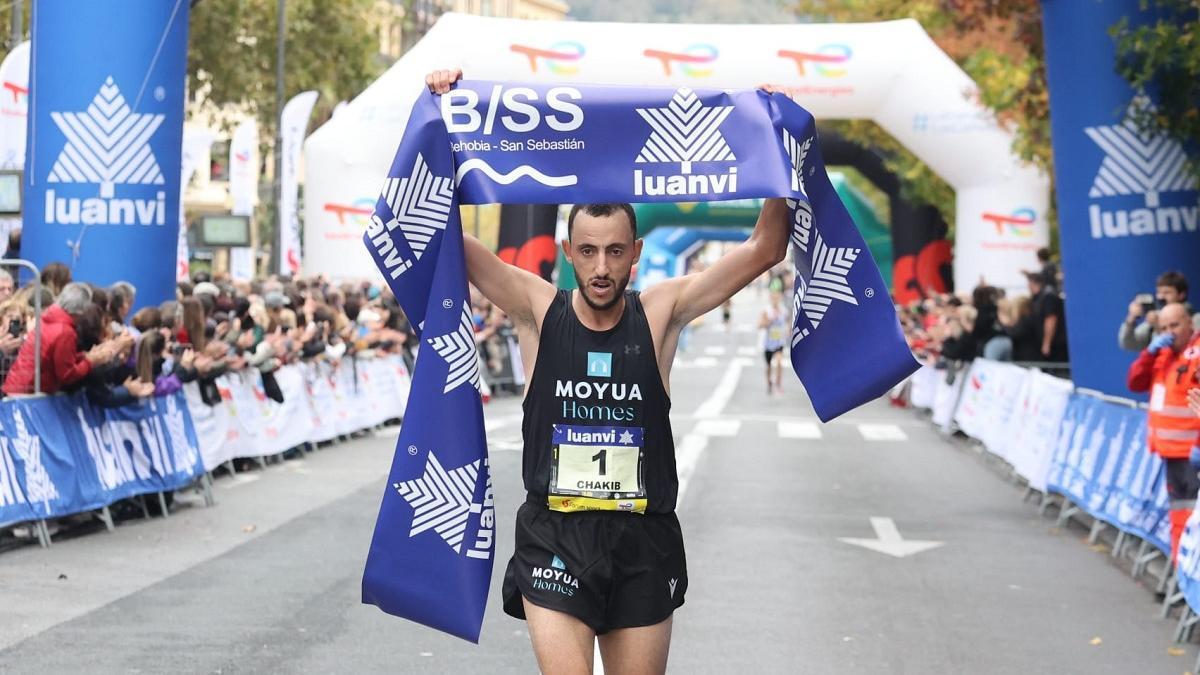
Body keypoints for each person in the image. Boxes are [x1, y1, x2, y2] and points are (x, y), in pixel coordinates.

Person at [426, 67, 792, 675]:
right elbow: (447, 237)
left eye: (615, 252)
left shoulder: (661, 313)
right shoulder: (536, 308)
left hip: (641, 538)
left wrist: (778, 143)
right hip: (556, 536)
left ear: (635, 254)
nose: (601, 268)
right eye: (588, 252)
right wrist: (441, 122)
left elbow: (765, 249)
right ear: (568, 254)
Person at [1127, 303, 1200, 561]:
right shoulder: (1162, 353)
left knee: (1195, 518)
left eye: (1175, 325)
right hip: (1169, 452)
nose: (1170, 332)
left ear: (1189, 323)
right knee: (1179, 515)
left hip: (1192, 452)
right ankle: (1181, 572)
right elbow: (1135, 382)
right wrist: (1148, 353)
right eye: (1164, 327)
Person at [2, 283, 114, 395]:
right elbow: (66, 375)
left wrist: (84, 356)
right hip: (28, 394)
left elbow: (53, 358)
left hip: (15, 386)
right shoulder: (65, 332)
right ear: (82, 311)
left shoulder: (47, 319)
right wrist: (90, 361)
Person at [1119, 271, 1199, 352]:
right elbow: (1128, 344)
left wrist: (1158, 326)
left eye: (1167, 293)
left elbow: (1181, 348)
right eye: (1159, 292)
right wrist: (1131, 318)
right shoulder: (1155, 318)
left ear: (1181, 295)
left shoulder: (1195, 319)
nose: (1161, 297)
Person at [1025, 271, 1068, 362]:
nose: (1027, 286)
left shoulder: (1048, 296)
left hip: (1056, 344)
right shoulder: (1037, 298)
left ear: (1033, 283)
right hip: (1047, 343)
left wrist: (1046, 343)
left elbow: (1051, 319)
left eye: (1029, 283)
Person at [759, 289, 788, 395]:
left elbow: (787, 321)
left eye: (777, 297)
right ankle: (769, 383)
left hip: (779, 342)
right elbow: (760, 325)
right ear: (770, 298)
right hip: (768, 343)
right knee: (768, 366)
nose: (775, 300)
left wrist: (788, 331)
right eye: (773, 297)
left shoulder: (783, 310)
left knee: (780, 361)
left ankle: (778, 383)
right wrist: (769, 321)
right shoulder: (766, 311)